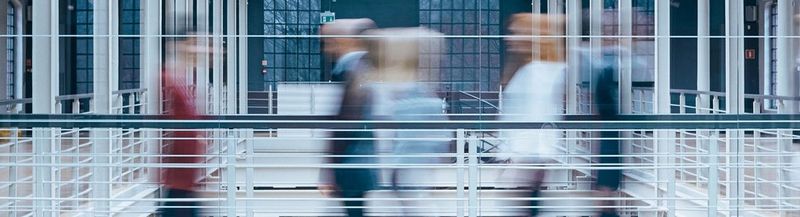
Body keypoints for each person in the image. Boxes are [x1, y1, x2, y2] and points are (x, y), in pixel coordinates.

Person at [361, 28, 450, 216]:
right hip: (402, 168)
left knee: (413, 205)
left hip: (404, 168)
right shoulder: (412, 92)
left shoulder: (409, 95)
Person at [498, 13, 566, 217]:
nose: (509, 39)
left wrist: (520, 158)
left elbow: (538, 116)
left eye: (514, 33)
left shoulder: (539, 72)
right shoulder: (533, 69)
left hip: (528, 157)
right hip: (527, 157)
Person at [320, 18, 378, 217]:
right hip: (359, 158)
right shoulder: (363, 68)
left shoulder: (351, 70)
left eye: (329, 41)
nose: (326, 48)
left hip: (352, 159)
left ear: (344, 41)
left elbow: (345, 122)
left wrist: (331, 168)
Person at [158, 28, 209, 217]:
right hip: (179, 174)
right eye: (192, 44)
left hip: (186, 175)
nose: (197, 50)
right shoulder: (168, 79)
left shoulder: (181, 80)